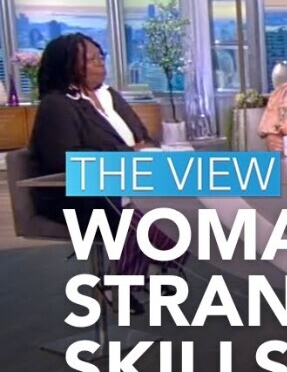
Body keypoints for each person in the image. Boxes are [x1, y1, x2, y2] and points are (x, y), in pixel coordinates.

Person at [28, 33, 182, 312]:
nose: (100, 63)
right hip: (79, 194)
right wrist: (127, 153)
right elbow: (65, 160)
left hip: (127, 183)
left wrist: (141, 152)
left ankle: (143, 271)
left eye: (101, 56)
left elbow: (144, 139)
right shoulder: (57, 104)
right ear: (68, 65)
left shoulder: (110, 96)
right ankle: (122, 281)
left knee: (191, 208)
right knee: (154, 217)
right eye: (90, 59)